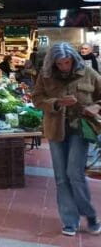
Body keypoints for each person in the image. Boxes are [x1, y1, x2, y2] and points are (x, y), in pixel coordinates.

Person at [33, 42, 101, 236]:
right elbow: (36, 99)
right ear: (52, 63)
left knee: (74, 174)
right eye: (60, 63)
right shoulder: (46, 76)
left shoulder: (88, 73)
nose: (64, 66)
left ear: (74, 59)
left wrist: (95, 107)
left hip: (80, 130)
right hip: (55, 130)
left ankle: (90, 215)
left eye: (67, 62)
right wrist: (57, 102)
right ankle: (69, 221)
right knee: (61, 178)